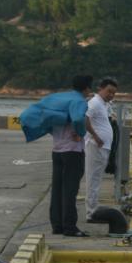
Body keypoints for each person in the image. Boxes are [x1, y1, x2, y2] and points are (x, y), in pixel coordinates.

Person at [20, 75, 93, 236]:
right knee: (70, 189)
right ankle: (70, 227)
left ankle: (57, 225)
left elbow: (46, 117)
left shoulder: (57, 99)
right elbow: (78, 119)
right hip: (73, 152)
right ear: (86, 88)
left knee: (58, 189)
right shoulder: (79, 101)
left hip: (57, 150)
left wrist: (53, 132)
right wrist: (80, 133)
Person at [84, 78, 118, 221]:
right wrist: (96, 136)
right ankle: (91, 213)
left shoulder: (104, 104)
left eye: (114, 93)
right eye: (109, 91)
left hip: (103, 147)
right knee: (93, 179)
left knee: (97, 179)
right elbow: (85, 118)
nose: (111, 95)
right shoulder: (95, 103)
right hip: (96, 145)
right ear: (100, 88)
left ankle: (93, 209)